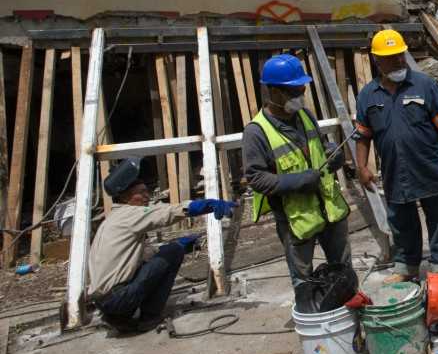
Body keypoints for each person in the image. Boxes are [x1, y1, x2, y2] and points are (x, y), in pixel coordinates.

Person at [354, 30, 438, 282]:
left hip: (428, 167)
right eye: (391, 58)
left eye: (400, 56)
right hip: (395, 172)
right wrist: (361, 166)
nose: (398, 62)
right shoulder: (368, 95)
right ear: (377, 61)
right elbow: (362, 135)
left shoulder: (424, 85)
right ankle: (406, 266)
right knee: (402, 222)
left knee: (437, 218)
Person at [242, 53, 351, 305]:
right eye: (293, 91)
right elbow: (256, 179)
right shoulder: (256, 132)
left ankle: (347, 317)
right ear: (272, 91)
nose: (299, 95)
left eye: (301, 89)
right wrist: (298, 181)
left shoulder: (305, 115)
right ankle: (312, 322)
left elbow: (321, 147)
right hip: (296, 220)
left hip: (330, 211)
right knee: (304, 282)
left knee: (343, 272)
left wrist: (333, 154)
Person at [88, 157, 237, 333]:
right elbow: (168, 213)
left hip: (103, 302)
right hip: (118, 299)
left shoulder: (112, 220)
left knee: (170, 250)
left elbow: (144, 257)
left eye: (146, 192)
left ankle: (119, 317)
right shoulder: (131, 215)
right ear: (125, 196)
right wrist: (207, 205)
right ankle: (149, 317)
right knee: (173, 252)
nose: (146, 197)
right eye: (141, 193)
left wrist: (181, 244)